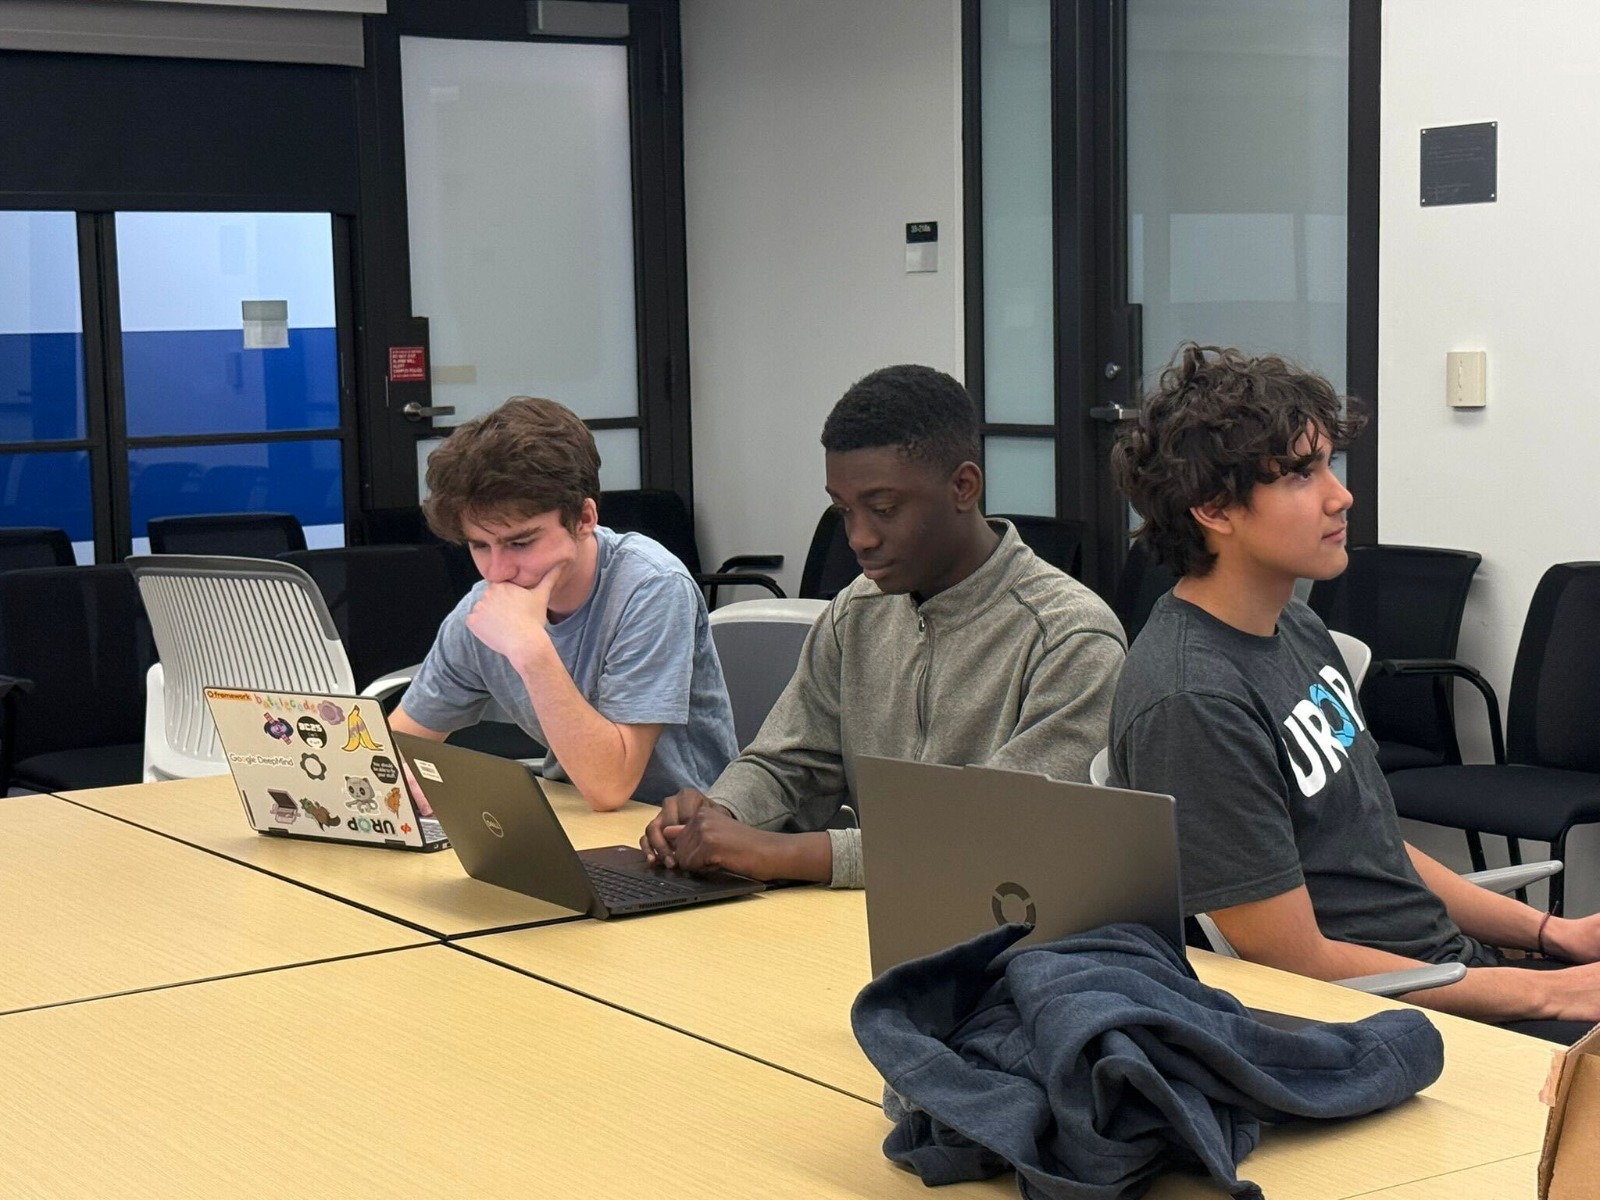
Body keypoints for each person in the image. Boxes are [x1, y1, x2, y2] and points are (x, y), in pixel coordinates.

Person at [1107, 343, 1600, 1042]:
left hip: (1450, 976)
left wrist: (1555, 935)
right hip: (1389, 1028)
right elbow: (1294, 966)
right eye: (1301, 474)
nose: (1340, 496)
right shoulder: (1195, 701)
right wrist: (1549, 994)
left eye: (1329, 465)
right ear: (1214, 509)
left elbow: (1371, 842)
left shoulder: (1296, 626)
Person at [641, 364, 1127, 886]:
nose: (859, 538)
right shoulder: (857, 611)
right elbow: (790, 762)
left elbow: (998, 837)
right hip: (867, 915)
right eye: (843, 511)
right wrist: (716, 818)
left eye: (885, 509)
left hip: (1005, 924)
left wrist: (784, 854)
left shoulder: (1070, 639)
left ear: (963, 486)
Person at [391, 396, 738, 811]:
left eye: (521, 543)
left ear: (584, 519)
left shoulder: (651, 587)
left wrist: (530, 648)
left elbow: (610, 787)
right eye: (479, 545)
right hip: (574, 813)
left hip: (684, 825)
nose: (497, 571)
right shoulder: (485, 608)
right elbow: (392, 750)